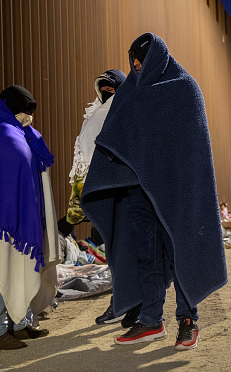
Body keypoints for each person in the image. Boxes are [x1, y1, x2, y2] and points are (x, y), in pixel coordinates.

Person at [81, 33, 227, 351]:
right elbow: (114, 138)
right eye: (132, 61)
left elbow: (193, 147)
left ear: (157, 59)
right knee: (146, 256)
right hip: (136, 190)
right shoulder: (130, 94)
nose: (135, 66)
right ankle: (150, 319)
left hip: (176, 189)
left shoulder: (183, 88)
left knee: (181, 251)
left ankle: (188, 320)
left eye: (141, 60)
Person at [0, 85, 60, 350]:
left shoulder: (19, 130)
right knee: (3, 269)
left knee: (22, 266)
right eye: (25, 111)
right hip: (3, 218)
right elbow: (5, 171)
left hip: (20, 214)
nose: (28, 116)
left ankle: (18, 326)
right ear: (12, 108)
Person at [66, 69, 128, 326]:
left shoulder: (123, 112)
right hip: (102, 193)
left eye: (111, 89)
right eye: (102, 89)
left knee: (124, 250)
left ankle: (128, 305)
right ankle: (125, 302)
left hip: (123, 192)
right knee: (113, 250)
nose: (106, 93)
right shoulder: (95, 114)